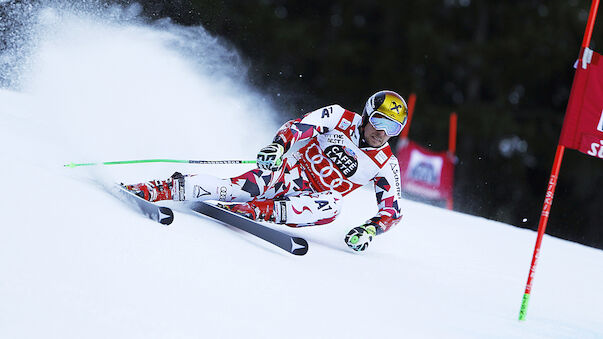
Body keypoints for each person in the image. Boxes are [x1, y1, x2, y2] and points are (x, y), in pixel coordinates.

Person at [125, 90, 407, 252]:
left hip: (310, 200)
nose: (383, 133)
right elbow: (297, 127)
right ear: (369, 114)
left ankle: (254, 211)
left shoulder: (385, 163)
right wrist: (278, 148)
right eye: (380, 121)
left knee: (334, 205)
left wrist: (370, 229)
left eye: (393, 128)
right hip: (287, 173)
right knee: (237, 188)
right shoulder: (339, 117)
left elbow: (392, 210)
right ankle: (158, 188)